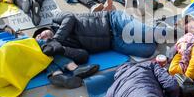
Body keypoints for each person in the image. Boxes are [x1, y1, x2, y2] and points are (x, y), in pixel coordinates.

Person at [33, 10, 172, 58]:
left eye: (41, 33)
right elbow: (83, 55)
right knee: (148, 50)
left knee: (152, 35)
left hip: (113, 21)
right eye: (41, 39)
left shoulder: (56, 20)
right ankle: (154, 27)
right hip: (114, 43)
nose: (43, 36)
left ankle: (180, 31)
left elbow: (70, 17)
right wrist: (62, 49)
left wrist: (56, 39)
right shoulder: (61, 46)